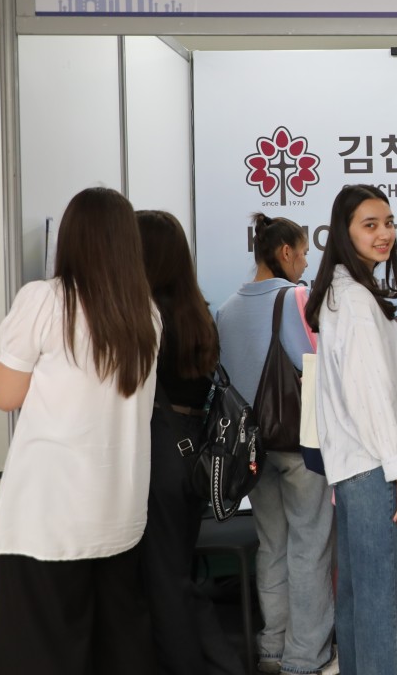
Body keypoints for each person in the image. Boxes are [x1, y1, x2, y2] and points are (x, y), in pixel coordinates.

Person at [0, 187, 160, 675]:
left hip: (50, 517)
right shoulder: (146, 314)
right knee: (114, 654)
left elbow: (5, 395)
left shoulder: (45, 300)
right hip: (119, 515)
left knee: (41, 656)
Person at [303, 185, 397, 675]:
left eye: (389, 223)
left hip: (360, 469)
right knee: (391, 603)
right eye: (370, 224)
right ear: (344, 231)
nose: (384, 234)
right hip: (377, 469)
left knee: (364, 598)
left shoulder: (347, 293)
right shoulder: (354, 299)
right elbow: (369, 394)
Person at [215, 214, 335, 675]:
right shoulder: (294, 297)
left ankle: (272, 647)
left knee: (272, 544)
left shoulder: (228, 308)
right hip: (297, 441)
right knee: (310, 544)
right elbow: (314, 363)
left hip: (250, 448)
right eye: (302, 253)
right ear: (285, 252)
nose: (305, 263)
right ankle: (305, 655)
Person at [136, 209, 244, 675]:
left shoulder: (147, 316)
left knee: (164, 579)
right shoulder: (197, 310)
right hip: (191, 454)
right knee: (176, 572)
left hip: (159, 453)